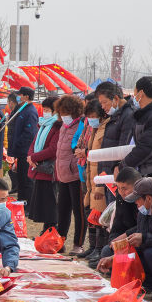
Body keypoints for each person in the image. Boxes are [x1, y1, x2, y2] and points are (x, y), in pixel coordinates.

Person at [119, 77, 152, 188]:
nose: (133, 96)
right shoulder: (142, 115)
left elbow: (146, 149)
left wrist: (122, 165)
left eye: (135, 92)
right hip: (140, 172)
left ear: (141, 93)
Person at [96, 167, 142, 273]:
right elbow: (117, 224)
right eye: (118, 188)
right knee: (107, 251)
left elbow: (146, 225)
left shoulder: (145, 196)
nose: (121, 192)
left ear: (137, 185)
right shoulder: (121, 197)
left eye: (125, 188)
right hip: (126, 241)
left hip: (141, 240)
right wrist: (113, 241)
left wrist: (126, 236)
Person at [55, 94, 85, 255]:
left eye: (66, 112)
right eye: (61, 113)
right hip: (62, 174)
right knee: (63, 210)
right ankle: (60, 241)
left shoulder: (81, 125)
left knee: (78, 210)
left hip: (75, 175)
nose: (63, 116)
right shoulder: (63, 126)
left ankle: (78, 243)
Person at [83, 98, 111, 266]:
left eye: (93, 115)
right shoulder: (95, 128)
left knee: (102, 215)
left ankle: (100, 249)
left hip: (101, 174)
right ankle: (94, 247)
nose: (90, 119)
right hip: (91, 173)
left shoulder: (106, 127)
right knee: (93, 213)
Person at [26, 96, 60, 233]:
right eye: (43, 109)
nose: (44, 112)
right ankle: (46, 229)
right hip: (38, 168)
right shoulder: (43, 124)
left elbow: (53, 149)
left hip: (48, 169)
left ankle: (51, 228)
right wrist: (30, 156)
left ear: (54, 111)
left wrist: (34, 157)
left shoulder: (57, 126)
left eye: (47, 110)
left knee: (50, 202)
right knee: (43, 202)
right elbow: (34, 143)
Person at [95, 82, 136, 176]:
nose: (103, 107)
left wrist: (114, 169)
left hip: (117, 174)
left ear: (116, 99)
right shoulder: (115, 115)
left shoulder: (129, 116)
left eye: (104, 102)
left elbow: (123, 149)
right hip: (107, 172)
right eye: (101, 103)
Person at [7, 87, 39, 201]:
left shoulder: (30, 111)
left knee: (27, 180)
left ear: (26, 96)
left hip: (25, 151)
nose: (18, 97)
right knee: (21, 179)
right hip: (20, 151)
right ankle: (21, 202)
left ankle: (28, 204)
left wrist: (18, 143)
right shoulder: (23, 109)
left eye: (20, 95)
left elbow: (29, 133)